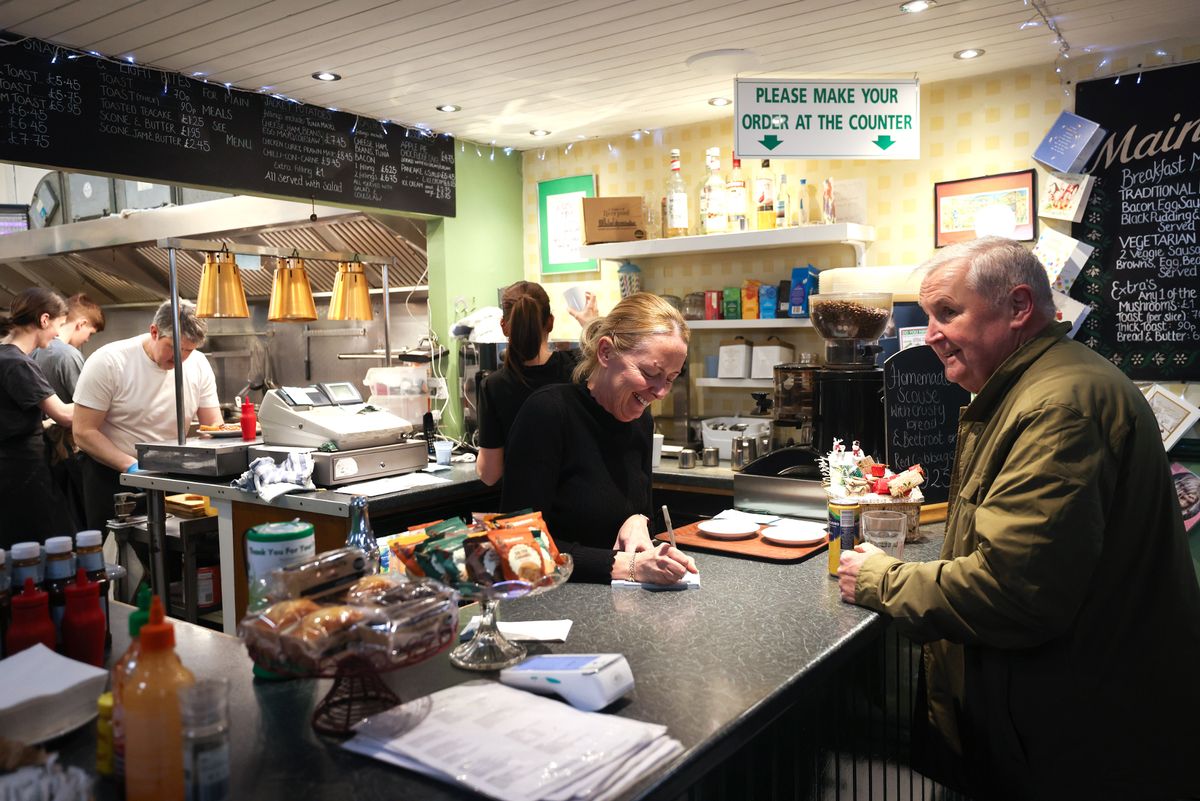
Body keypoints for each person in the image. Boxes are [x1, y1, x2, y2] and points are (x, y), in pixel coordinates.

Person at [836, 237, 1200, 800]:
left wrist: (883, 578)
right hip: (1069, 717)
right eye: (929, 315)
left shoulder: (1056, 407)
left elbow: (1014, 592)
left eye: (948, 313)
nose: (930, 333)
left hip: (1079, 737)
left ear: (1019, 307)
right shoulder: (1033, 388)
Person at [501, 292, 697, 585]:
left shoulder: (640, 420)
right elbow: (516, 543)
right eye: (650, 372)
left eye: (670, 378)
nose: (661, 392)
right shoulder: (548, 413)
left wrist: (637, 521)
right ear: (606, 353)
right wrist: (627, 566)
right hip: (551, 608)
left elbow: (638, 512)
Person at [73, 300, 222, 530]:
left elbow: (213, 426)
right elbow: (83, 432)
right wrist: (132, 467)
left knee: (172, 548)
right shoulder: (109, 362)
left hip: (171, 473)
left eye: (189, 350)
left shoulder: (199, 365)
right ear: (154, 332)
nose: (181, 358)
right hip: (112, 475)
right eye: (173, 347)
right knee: (114, 552)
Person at [476, 281, 597, 485]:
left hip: (524, 512)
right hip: (578, 505)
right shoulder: (578, 369)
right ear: (550, 322)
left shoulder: (494, 386)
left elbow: (489, 475)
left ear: (504, 326)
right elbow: (612, 359)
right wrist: (591, 324)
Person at [0, 288, 76, 548]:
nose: (57, 334)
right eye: (58, 325)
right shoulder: (18, 363)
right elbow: (65, 415)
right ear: (44, 320)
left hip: (11, 473)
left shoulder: (4, 356)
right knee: (52, 545)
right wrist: (103, 404)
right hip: (23, 474)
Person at [32, 293, 106, 530]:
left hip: (47, 452)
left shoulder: (37, 350)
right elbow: (88, 407)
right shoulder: (68, 355)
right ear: (81, 324)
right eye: (90, 333)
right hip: (70, 449)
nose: (86, 340)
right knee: (85, 522)